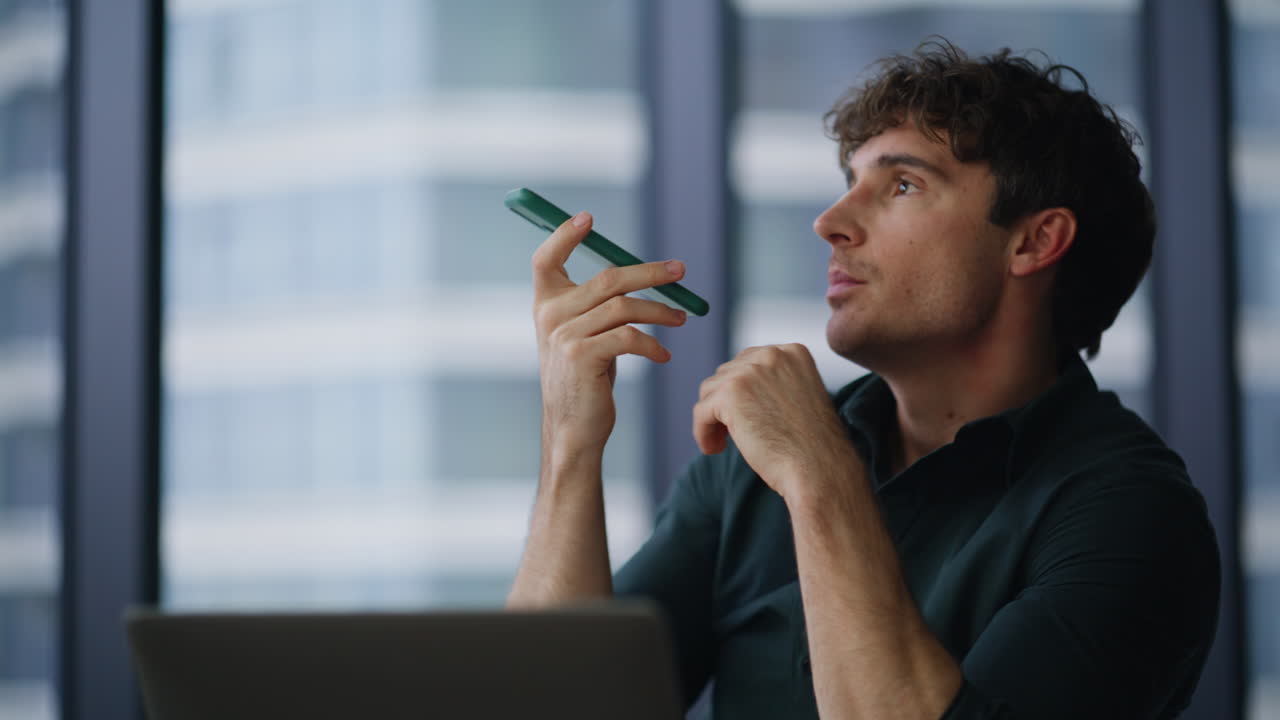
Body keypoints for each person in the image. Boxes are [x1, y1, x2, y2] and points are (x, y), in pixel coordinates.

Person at [506, 39, 1220, 719]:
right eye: (852, 182)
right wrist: (571, 438)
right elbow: (550, 708)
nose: (829, 222)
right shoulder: (747, 473)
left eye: (902, 184)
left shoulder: (1131, 513)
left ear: (1034, 241)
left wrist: (821, 479)